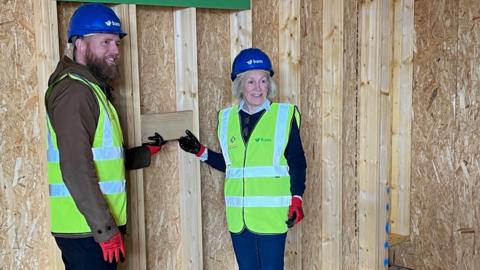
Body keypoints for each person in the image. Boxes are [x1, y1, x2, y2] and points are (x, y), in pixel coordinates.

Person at [45, 3, 166, 269]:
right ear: (80, 44)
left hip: (93, 227)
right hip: (87, 230)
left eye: (117, 43)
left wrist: (144, 153)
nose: (115, 51)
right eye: (106, 42)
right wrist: (105, 231)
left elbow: (99, 157)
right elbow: (76, 168)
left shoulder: (92, 89)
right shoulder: (75, 93)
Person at [178, 48, 307, 269]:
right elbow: (234, 167)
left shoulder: (283, 116)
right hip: (239, 219)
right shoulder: (226, 119)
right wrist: (201, 152)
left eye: (263, 81)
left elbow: (297, 162)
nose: (258, 88)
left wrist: (297, 198)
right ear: (240, 85)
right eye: (251, 82)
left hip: (272, 216)